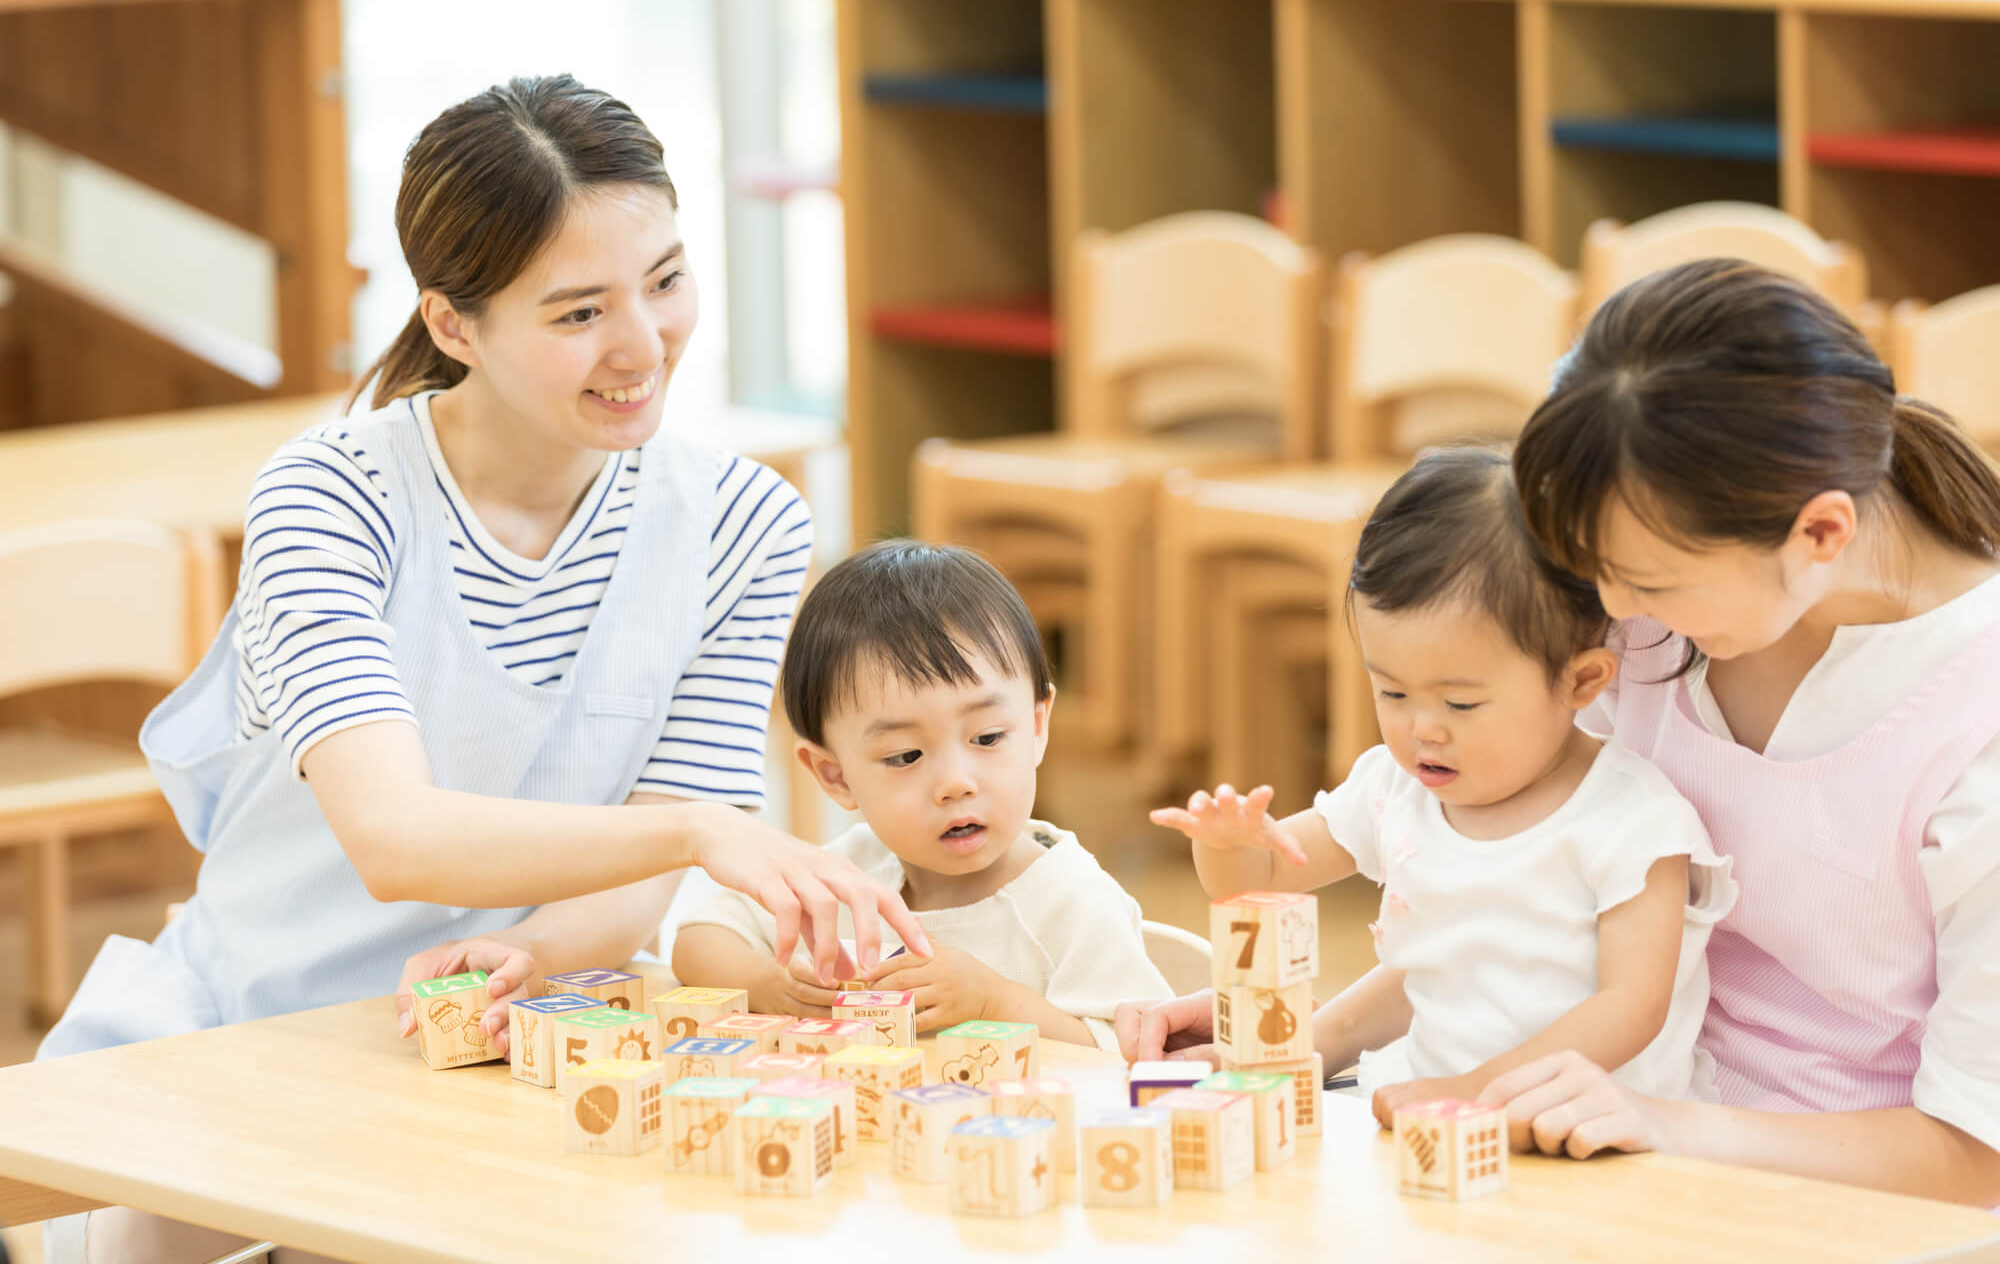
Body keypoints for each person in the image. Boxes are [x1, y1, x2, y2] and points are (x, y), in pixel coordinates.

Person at [39, 76, 926, 1262]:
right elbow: (396, 839)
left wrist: (547, 952)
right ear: (455, 326)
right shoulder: (333, 497)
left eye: (664, 281)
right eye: (576, 314)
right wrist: (700, 834)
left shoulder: (742, 522)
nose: (640, 345)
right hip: (250, 1041)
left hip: (526, 1049)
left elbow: (638, 880)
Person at [1125, 261, 2000, 1207]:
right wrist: (1303, 1038)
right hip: (1576, 1129)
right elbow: (1500, 919)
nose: (1613, 617)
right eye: (1594, 570)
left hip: (1824, 1193)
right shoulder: (1646, 602)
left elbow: (1974, 1155)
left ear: (1820, 534)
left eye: (1647, 584)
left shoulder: (1971, 716)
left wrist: (1661, 1122)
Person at [1151, 446, 1732, 1107]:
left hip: (1592, 1134)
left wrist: (1476, 1092)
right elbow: (1264, 881)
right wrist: (1229, 846)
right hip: (1430, 1116)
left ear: (1581, 680)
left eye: (1460, 703)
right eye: (1392, 692)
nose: (1422, 728)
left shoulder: (1633, 820)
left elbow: (1631, 1008)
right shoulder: (1395, 786)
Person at [674, 541, 1171, 1047]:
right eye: (906, 756)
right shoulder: (847, 877)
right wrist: (768, 987)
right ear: (834, 776)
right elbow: (698, 939)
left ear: (1037, 727)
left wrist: (993, 1003)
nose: (957, 782)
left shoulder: (1071, 901)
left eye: (988, 738)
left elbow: (1136, 1049)